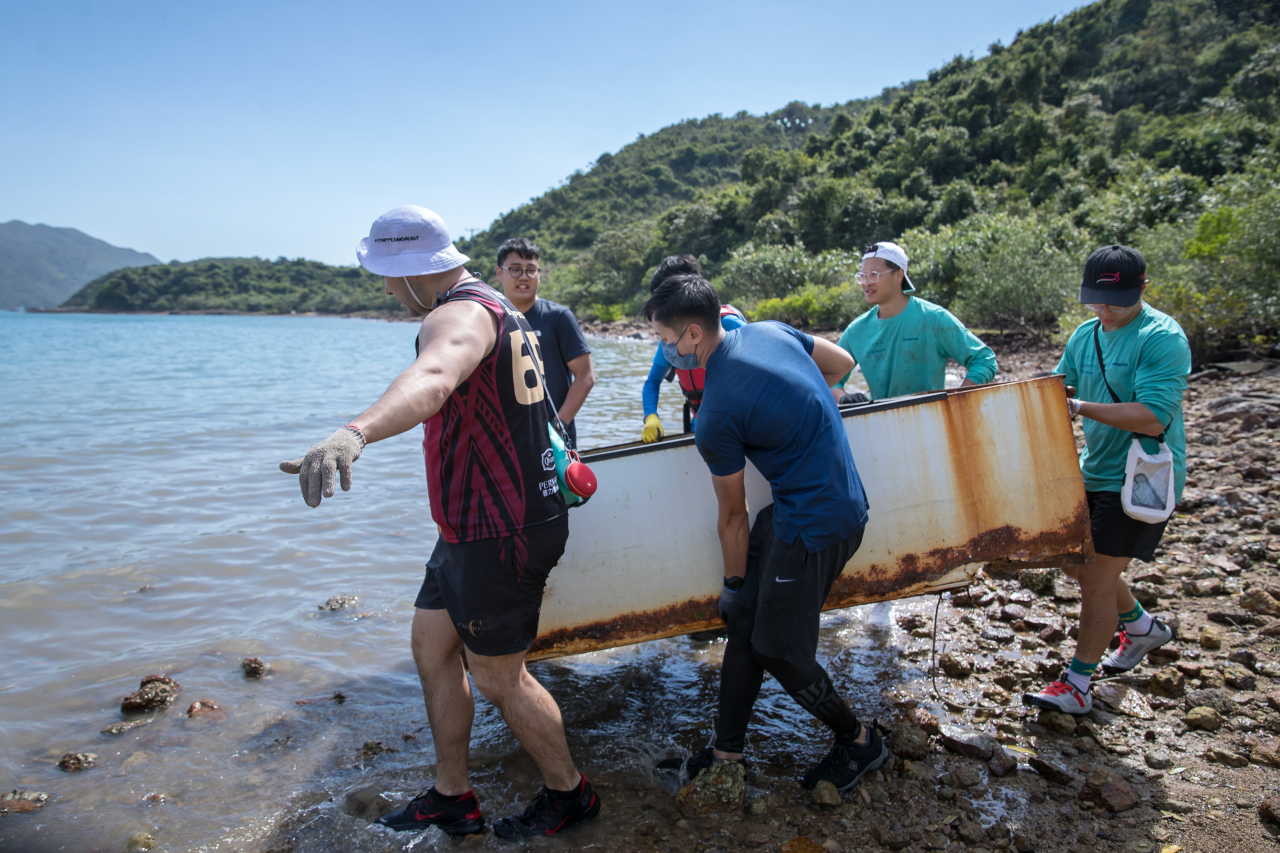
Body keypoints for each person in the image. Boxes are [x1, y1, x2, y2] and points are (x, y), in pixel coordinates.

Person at [279, 206, 600, 839]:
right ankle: (453, 796)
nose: (383, 287)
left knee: (498, 676)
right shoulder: (497, 305)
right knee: (431, 646)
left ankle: (571, 795)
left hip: (500, 528)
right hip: (473, 525)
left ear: (404, 270)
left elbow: (432, 375)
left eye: (383, 274)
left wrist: (356, 431)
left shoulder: (457, 313)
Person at [643, 274, 885, 794]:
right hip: (818, 503)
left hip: (818, 525)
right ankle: (727, 751)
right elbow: (841, 363)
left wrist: (731, 584)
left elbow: (732, 514)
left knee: (777, 650)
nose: (664, 354)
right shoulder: (770, 330)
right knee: (749, 622)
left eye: (664, 341)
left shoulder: (716, 412)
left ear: (691, 335)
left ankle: (860, 741)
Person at [1023, 244, 1188, 715]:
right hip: (1093, 469)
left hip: (1143, 476)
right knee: (1072, 562)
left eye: (1114, 301)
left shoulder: (1162, 337)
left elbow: (1154, 417)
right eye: (1094, 299)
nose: (1104, 309)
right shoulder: (1084, 335)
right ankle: (1140, 627)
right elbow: (1063, 386)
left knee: (1095, 580)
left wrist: (1079, 408)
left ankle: (1077, 685)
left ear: (1143, 289)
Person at [830, 241, 997, 404]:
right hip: (879, 426)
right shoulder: (856, 330)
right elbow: (827, 377)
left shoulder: (934, 318)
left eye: (874, 274)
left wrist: (957, 402)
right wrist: (843, 397)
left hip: (931, 424)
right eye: (863, 276)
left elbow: (984, 360)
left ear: (898, 275)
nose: (866, 283)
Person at [494, 237, 595, 446]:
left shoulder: (558, 317)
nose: (524, 276)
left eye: (531, 269)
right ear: (499, 273)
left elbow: (585, 376)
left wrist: (559, 426)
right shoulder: (489, 321)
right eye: (515, 269)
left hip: (555, 442)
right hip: (507, 444)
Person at [639, 255, 747, 442]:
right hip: (701, 425)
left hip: (739, 427)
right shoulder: (671, 341)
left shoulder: (727, 324)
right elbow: (652, 382)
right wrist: (651, 416)